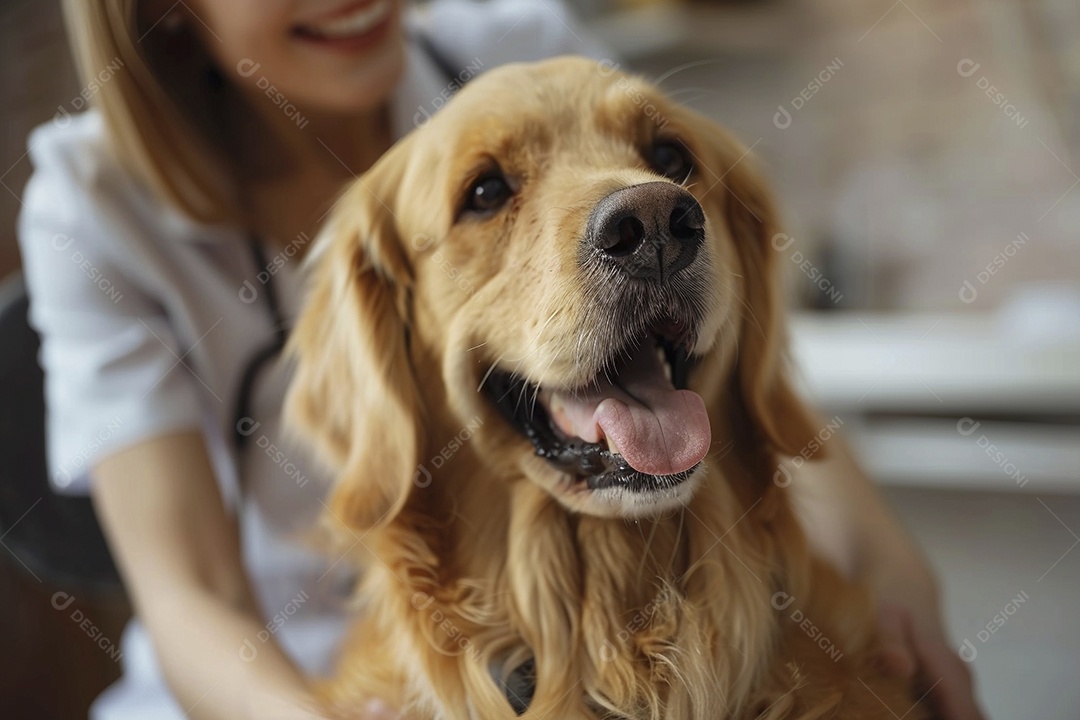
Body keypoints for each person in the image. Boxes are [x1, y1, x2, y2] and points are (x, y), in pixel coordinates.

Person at [16, 1, 984, 718]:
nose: (643, 209)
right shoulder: (91, 200)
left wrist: (892, 566)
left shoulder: (515, 44)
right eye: (487, 190)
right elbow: (191, 594)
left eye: (667, 163)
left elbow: (762, 403)